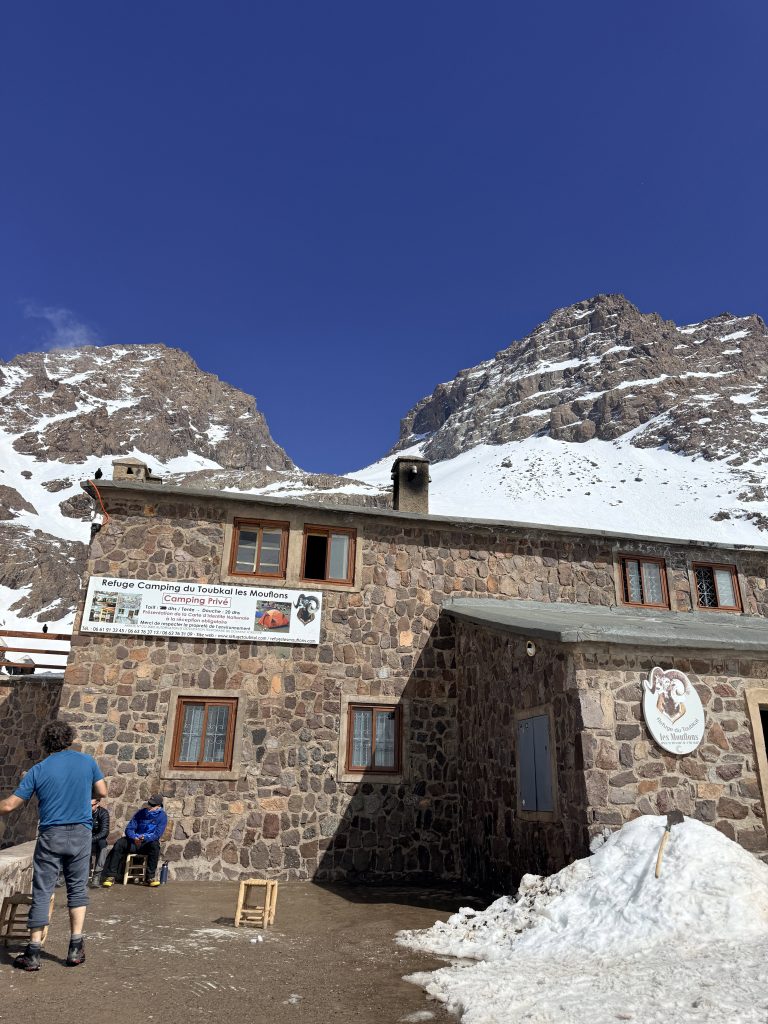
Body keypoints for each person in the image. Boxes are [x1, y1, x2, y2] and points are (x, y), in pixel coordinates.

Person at [0, 720, 107, 971]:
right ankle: (75, 948)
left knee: (43, 891)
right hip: (80, 833)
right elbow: (102, 790)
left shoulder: (38, 770)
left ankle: (34, 952)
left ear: (46, 742)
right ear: (69, 739)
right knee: (77, 889)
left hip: (51, 835)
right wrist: (89, 798)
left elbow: (8, 806)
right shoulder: (87, 762)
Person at [101, 795, 167, 887]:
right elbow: (129, 828)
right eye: (149, 804)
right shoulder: (141, 813)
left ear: (158, 806)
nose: (149, 807)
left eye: (152, 805)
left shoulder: (162, 816)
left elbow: (157, 834)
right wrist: (134, 837)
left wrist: (144, 838)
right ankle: (111, 876)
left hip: (147, 844)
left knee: (155, 846)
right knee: (120, 843)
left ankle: (150, 877)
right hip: (134, 841)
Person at [90, 797, 110, 884]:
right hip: (86, 839)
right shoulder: (83, 812)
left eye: (91, 805)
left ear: (97, 804)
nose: (88, 807)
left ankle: (97, 875)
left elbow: (104, 832)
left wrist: (91, 839)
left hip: (97, 839)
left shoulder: (103, 813)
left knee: (103, 844)